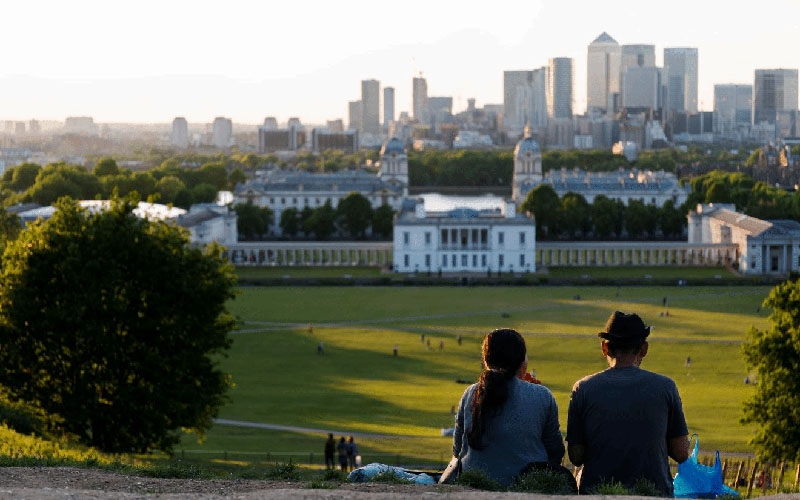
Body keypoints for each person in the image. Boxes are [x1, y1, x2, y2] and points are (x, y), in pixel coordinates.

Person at [566, 311, 689, 496]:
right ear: (644, 349)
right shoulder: (666, 388)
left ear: (605, 347)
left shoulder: (582, 389)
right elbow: (681, 453)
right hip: (653, 493)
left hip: (597, 493)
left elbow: (576, 456)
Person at [448, 328, 566, 487]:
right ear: (522, 361)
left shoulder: (470, 393)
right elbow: (556, 453)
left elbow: (457, 451)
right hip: (527, 486)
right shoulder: (542, 395)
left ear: (486, 361)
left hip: (473, 483)